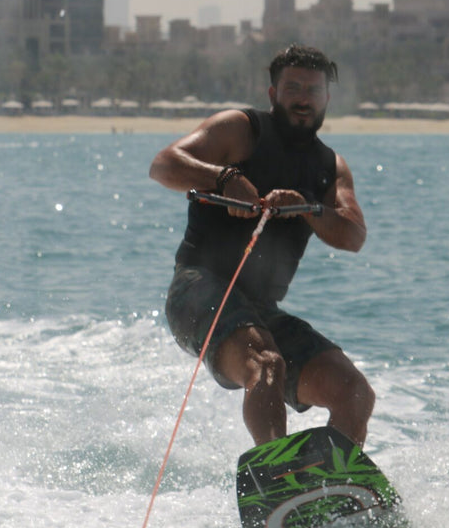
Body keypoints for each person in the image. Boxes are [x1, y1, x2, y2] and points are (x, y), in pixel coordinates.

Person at [149, 44, 374, 448]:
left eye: (314, 90)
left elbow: (353, 235)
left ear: (326, 99)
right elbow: (164, 164)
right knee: (265, 364)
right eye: (293, 88)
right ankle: (275, 476)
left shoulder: (331, 167)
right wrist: (225, 177)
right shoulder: (240, 130)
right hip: (196, 290)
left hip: (260, 310)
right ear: (273, 94)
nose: (303, 99)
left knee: (354, 392)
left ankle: (333, 488)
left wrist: (307, 209)